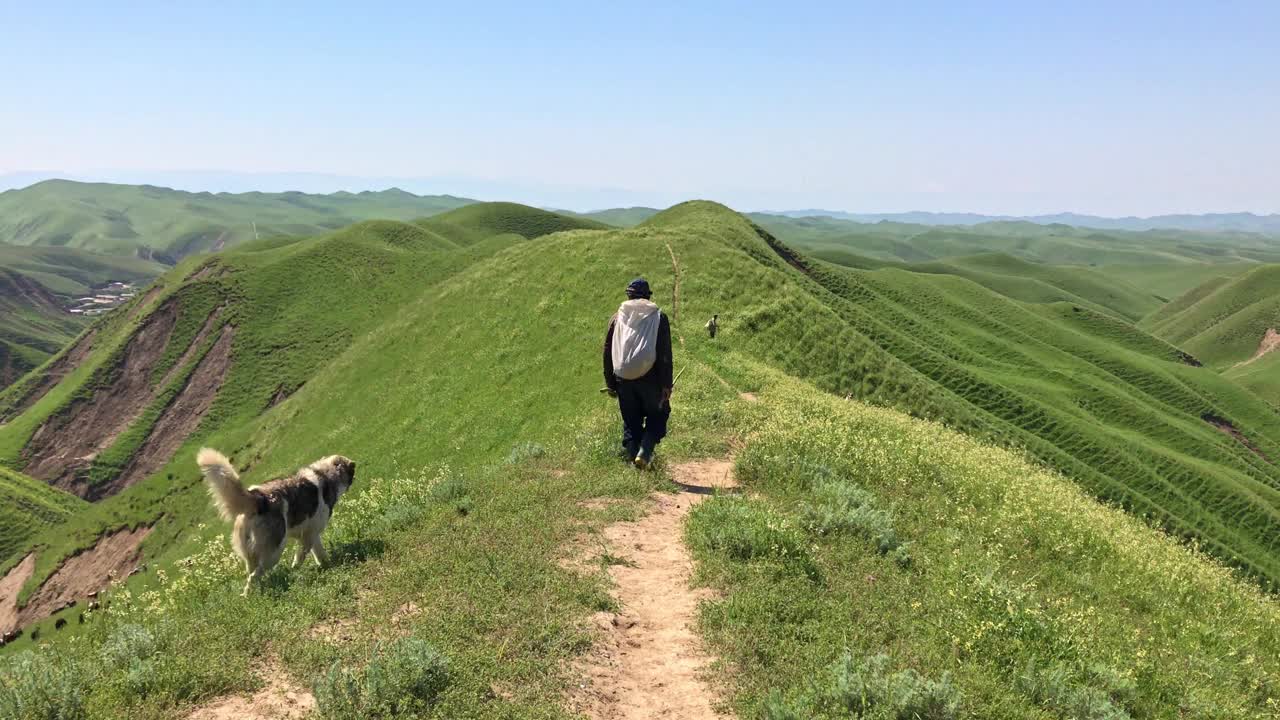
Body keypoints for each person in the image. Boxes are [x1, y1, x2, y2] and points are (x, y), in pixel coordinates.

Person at [603, 278, 673, 469]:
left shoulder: (616, 318)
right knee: (659, 414)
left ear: (629, 295)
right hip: (650, 380)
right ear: (647, 296)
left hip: (623, 380)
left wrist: (610, 383)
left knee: (631, 422)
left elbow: (608, 351)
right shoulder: (658, 318)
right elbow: (664, 353)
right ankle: (645, 451)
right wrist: (666, 385)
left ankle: (637, 465)